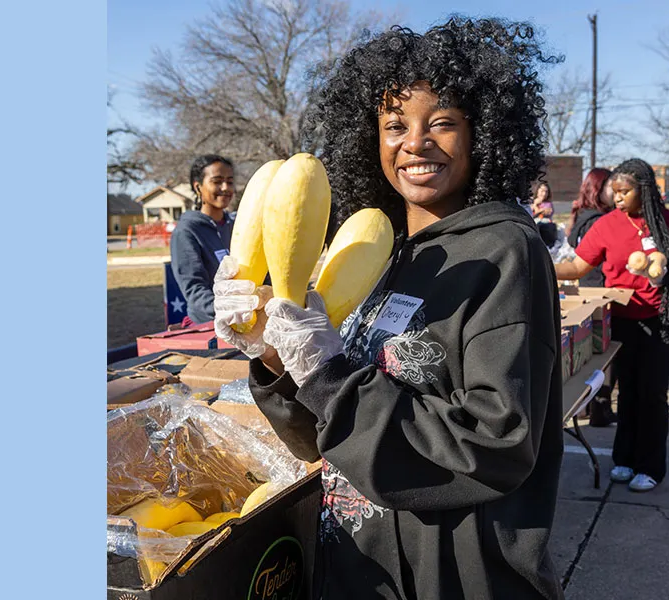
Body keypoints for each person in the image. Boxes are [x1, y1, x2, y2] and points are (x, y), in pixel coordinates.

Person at [213, 17, 565, 599]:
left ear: (482, 133)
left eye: (442, 123)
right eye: (395, 125)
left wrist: (328, 375)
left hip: (451, 576)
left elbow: (497, 444)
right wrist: (277, 357)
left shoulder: (506, 251)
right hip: (358, 569)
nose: (415, 142)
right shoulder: (376, 251)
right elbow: (320, 438)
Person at [554, 158, 669, 493]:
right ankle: (625, 459)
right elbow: (577, 267)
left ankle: (650, 466)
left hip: (663, 319)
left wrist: (666, 276)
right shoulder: (606, 225)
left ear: (644, 190)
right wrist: (538, 264)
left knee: (652, 392)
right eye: (614, 192)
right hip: (621, 319)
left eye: (624, 192)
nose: (617, 198)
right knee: (628, 390)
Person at [563, 167, 617, 426]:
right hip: (600, 290)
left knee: (588, 353)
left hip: (587, 287)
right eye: (611, 187)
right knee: (603, 354)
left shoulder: (581, 216)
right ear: (598, 189)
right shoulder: (599, 221)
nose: (616, 193)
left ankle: (585, 408)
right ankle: (599, 408)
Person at [170, 154, 236, 326]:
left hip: (248, 319)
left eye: (230, 182)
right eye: (217, 181)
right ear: (198, 187)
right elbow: (195, 289)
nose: (225, 188)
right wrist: (231, 310)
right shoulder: (187, 231)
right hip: (210, 325)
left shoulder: (239, 226)